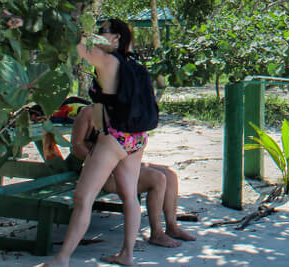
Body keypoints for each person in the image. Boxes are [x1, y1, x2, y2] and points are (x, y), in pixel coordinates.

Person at [44, 19, 152, 267]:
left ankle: (62, 259)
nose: (98, 35)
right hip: (136, 138)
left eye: (103, 31)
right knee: (130, 197)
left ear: (116, 38)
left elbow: (78, 48)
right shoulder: (134, 64)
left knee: (83, 197)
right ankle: (127, 254)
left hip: (114, 137)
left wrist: (81, 32)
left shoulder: (108, 61)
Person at [70, 104, 195, 246]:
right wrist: (101, 163)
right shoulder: (90, 112)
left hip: (123, 164)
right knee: (157, 179)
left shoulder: (120, 110)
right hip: (101, 173)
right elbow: (76, 147)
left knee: (170, 175)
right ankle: (157, 233)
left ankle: (172, 227)